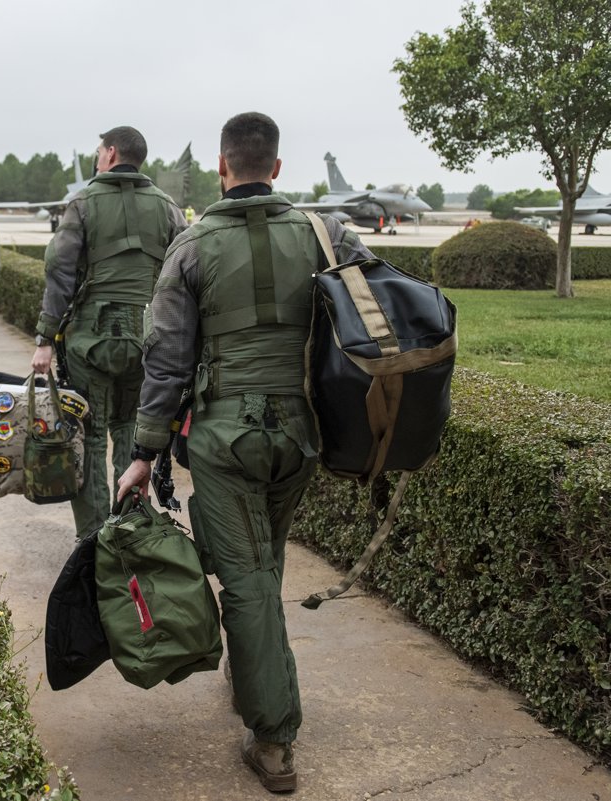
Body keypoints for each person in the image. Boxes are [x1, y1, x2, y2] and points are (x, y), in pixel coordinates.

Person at [115, 112, 374, 793]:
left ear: (222, 167)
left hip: (226, 439)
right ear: (277, 168)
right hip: (301, 435)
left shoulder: (192, 245)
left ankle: (274, 737)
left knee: (248, 580)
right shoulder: (327, 233)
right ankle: (257, 669)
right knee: (262, 562)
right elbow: (371, 318)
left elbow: (166, 363)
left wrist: (144, 452)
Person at [29, 125, 187, 540]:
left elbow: (59, 270)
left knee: (89, 436)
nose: (98, 158)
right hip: (147, 340)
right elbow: (186, 274)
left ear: (111, 153)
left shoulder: (83, 203)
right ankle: (127, 536)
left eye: (99, 151)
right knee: (132, 435)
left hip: (90, 341)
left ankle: (92, 540)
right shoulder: (168, 207)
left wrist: (45, 339)